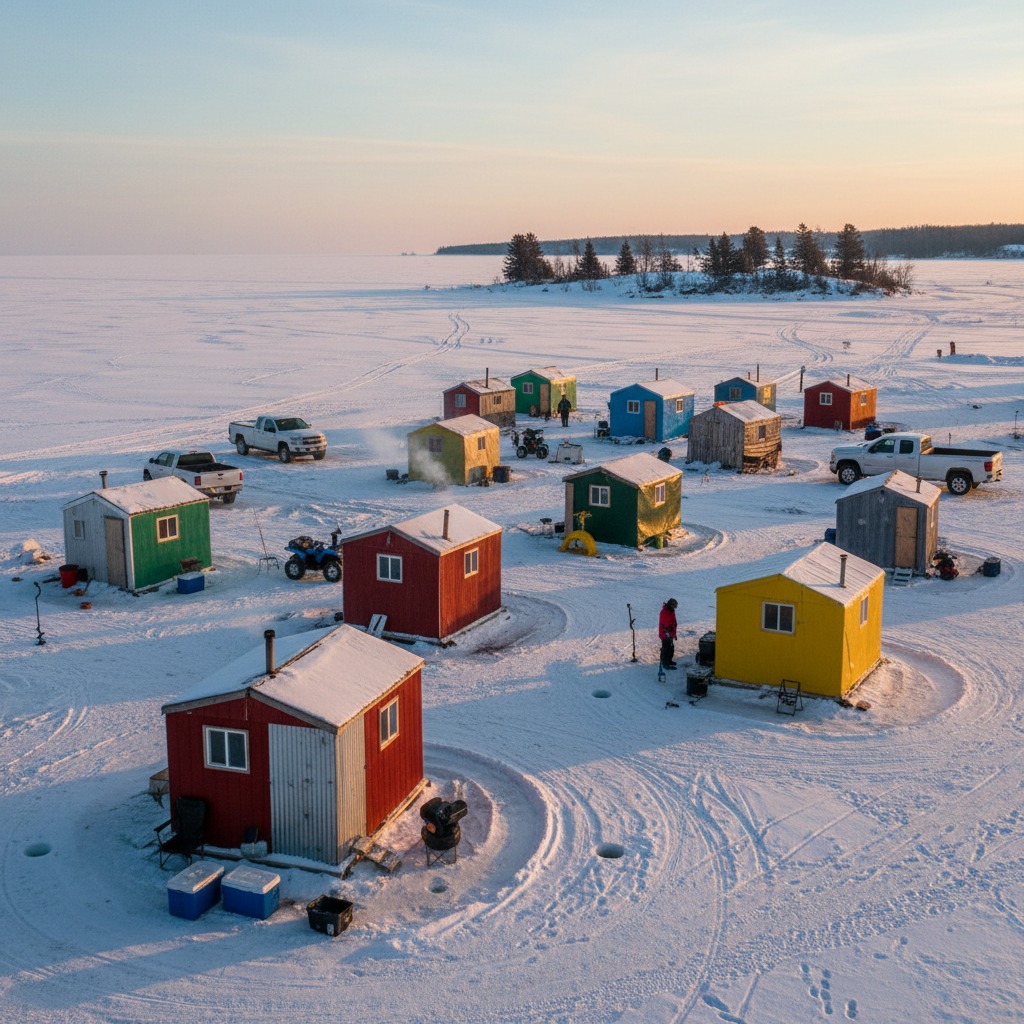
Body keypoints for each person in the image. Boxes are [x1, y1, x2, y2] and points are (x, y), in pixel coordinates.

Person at [659, 598, 678, 669]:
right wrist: (669, 633)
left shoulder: (671, 611)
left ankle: (669, 660)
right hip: (665, 634)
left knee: (671, 648)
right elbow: (667, 625)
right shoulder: (665, 612)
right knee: (666, 649)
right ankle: (665, 663)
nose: (675, 608)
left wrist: (673, 634)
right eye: (674, 606)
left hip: (670, 634)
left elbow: (673, 622)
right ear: (670, 605)